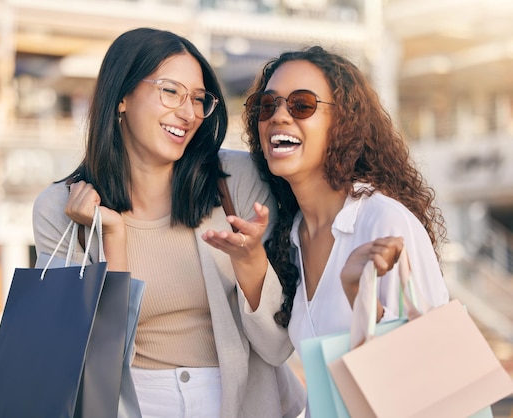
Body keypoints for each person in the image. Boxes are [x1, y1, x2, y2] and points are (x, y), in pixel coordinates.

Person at [32, 27, 305, 418]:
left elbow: (278, 344)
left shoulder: (239, 181)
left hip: (239, 402)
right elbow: (91, 364)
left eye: (198, 98)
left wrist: (251, 263)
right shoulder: (60, 209)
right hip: (133, 404)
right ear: (122, 96)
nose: (189, 113)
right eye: (171, 91)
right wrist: (113, 238)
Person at [203, 45, 450, 415]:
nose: (279, 117)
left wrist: (359, 294)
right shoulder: (291, 236)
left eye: (301, 105)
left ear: (344, 123)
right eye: (267, 106)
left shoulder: (382, 220)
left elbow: (435, 368)